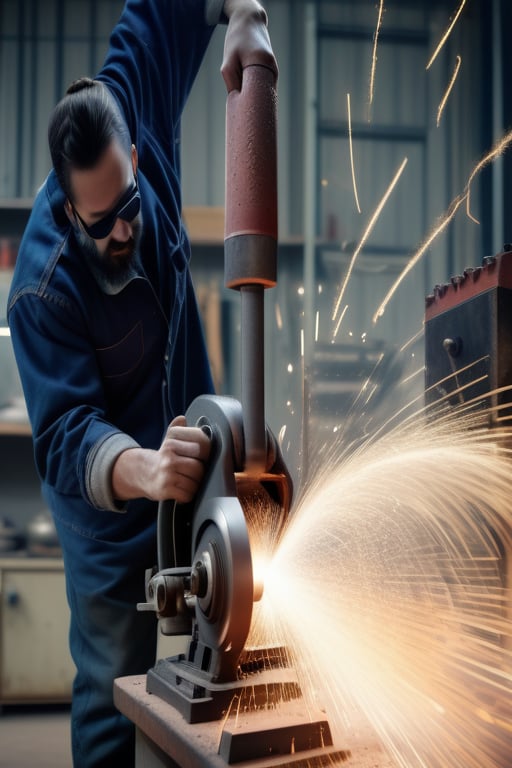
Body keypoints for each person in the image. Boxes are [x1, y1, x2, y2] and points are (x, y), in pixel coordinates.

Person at [7, 1, 277, 766]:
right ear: (67, 206)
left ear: (133, 142)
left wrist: (244, 13)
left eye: (130, 207)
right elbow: (65, 439)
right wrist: (146, 468)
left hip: (189, 452)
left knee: (217, 655)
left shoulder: (135, 101)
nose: (123, 230)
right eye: (102, 225)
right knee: (110, 680)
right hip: (110, 513)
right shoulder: (40, 289)